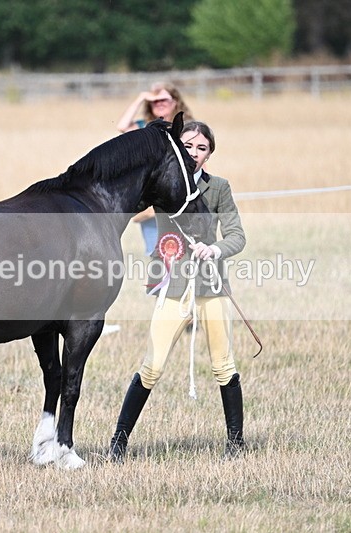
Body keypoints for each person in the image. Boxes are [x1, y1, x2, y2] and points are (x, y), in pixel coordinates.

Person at [108, 121, 247, 462]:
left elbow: (236, 236)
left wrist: (215, 250)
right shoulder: (162, 183)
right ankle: (118, 441)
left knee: (223, 366)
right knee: (151, 367)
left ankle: (236, 442)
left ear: (210, 153)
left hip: (211, 286)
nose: (195, 154)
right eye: (188, 147)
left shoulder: (219, 188)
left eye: (202, 148)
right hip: (173, 284)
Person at [117, 82, 194, 255]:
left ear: (175, 101)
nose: (159, 103)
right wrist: (142, 97)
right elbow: (122, 127)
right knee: (155, 252)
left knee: (184, 252)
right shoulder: (145, 127)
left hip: (178, 197)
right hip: (151, 199)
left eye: (164, 99)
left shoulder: (186, 127)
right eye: (154, 101)